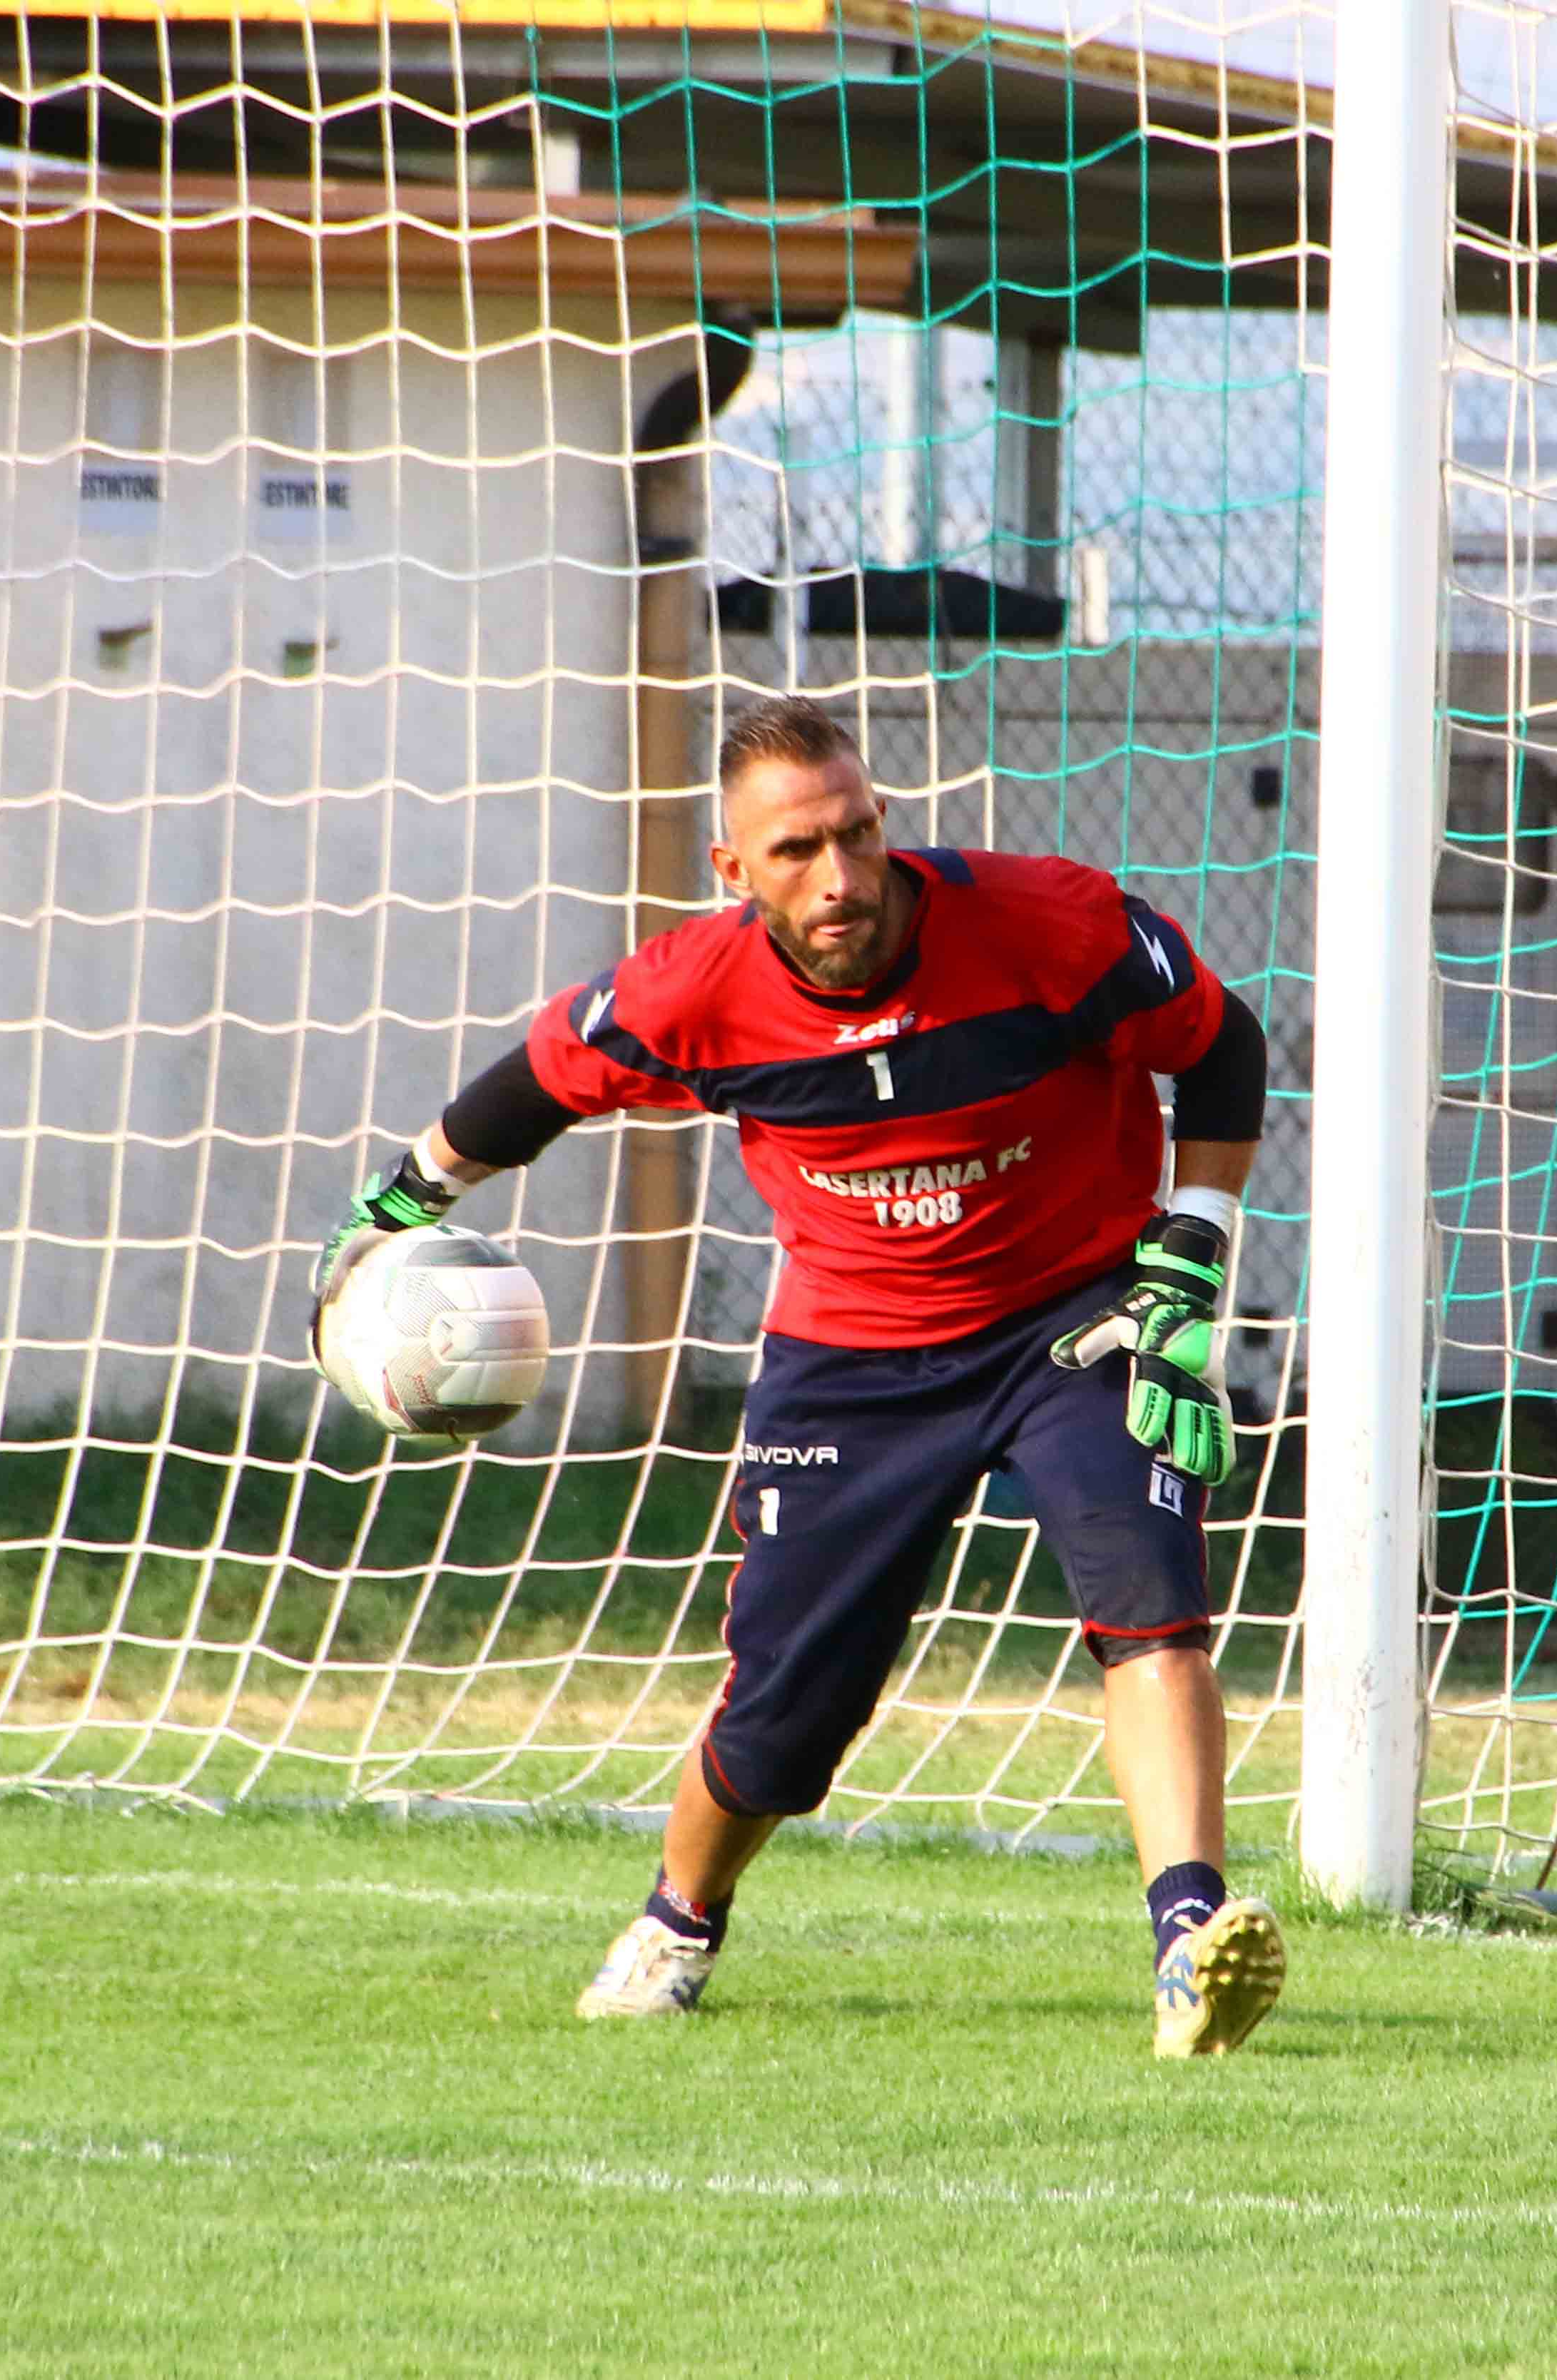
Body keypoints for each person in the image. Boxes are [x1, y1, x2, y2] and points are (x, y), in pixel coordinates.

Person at [312, 696, 1284, 2057]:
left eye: (857, 834)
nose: (840, 879)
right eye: (796, 853)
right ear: (733, 871)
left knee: (1151, 1608)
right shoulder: (686, 993)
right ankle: (677, 1922)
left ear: (883, 819)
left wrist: (1196, 1243)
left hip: (1077, 1317)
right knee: (787, 1715)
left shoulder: (1053, 927)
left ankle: (1192, 1940)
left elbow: (1223, 1042)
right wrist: (391, 1217)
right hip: (856, 1360)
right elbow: (535, 1088)